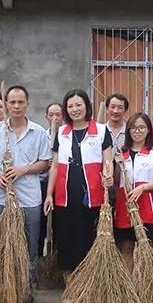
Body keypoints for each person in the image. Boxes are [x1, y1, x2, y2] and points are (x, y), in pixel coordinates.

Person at [0, 85, 51, 303]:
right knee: (0, 244)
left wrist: (23, 169)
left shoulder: (39, 132)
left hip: (29, 198)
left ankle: (25, 288)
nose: (15, 106)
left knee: (30, 245)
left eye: (20, 102)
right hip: (0, 197)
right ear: (5, 104)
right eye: (11, 102)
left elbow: (45, 162)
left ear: (27, 104)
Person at [44, 89, 113, 277]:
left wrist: (109, 176)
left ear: (86, 106)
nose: (75, 109)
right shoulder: (61, 133)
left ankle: (90, 282)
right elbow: (55, 167)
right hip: (65, 197)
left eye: (78, 105)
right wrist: (49, 194)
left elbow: (108, 161)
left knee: (88, 238)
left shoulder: (100, 131)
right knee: (67, 240)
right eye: (70, 106)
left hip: (92, 197)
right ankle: (70, 284)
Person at [113, 113, 153, 273]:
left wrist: (143, 188)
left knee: (148, 248)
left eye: (141, 127)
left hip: (146, 207)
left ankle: (147, 286)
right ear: (128, 131)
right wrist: (118, 164)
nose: (137, 131)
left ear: (148, 130)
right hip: (125, 206)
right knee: (127, 248)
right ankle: (129, 287)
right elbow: (116, 181)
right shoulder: (123, 152)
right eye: (133, 128)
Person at [40, 102, 64, 255]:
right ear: (46, 117)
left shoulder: (67, 135)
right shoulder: (41, 135)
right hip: (43, 182)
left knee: (59, 222)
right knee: (44, 221)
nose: (55, 118)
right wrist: (44, 162)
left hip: (61, 184)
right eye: (51, 115)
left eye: (58, 114)